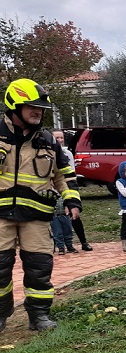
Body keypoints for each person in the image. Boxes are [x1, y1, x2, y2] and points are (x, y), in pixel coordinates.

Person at [0, 78, 82, 332]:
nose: (38, 111)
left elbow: (63, 175)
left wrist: (71, 199)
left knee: (39, 267)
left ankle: (39, 316)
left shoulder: (47, 140)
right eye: (32, 106)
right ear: (14, 105)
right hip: (0, 215)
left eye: (41, 108)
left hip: (36, 216)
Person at [52, 129, 92, 251]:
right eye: (56, 138)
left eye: (61, 138)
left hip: (66, 187)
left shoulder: (67, 153)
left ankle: (83, 242)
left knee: (73, 215)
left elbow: (70, 174)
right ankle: (56, 246)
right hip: (51, 187)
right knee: (53, 218)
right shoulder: (45, 152)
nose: (59, 140)